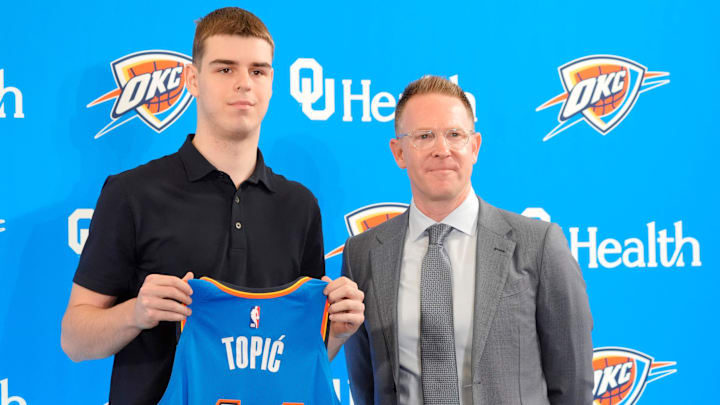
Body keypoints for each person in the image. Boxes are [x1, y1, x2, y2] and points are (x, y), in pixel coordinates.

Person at [60, 7, 364, 404]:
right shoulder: (131, 193)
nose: (244, 84)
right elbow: (74, 340)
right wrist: (136, 313)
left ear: (272, 82)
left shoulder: (300, 206)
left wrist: (336, 333)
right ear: (192, 79)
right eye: (225, 69)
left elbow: (294, 358)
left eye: (258, 71)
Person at [341, 76, 593, 405]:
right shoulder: (363, 254)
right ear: (399, 152)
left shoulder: (539, 245)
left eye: (454, 135)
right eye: (424, 136)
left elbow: (573, 385)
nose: (441, 149)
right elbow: (365, 388)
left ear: (474, 146)